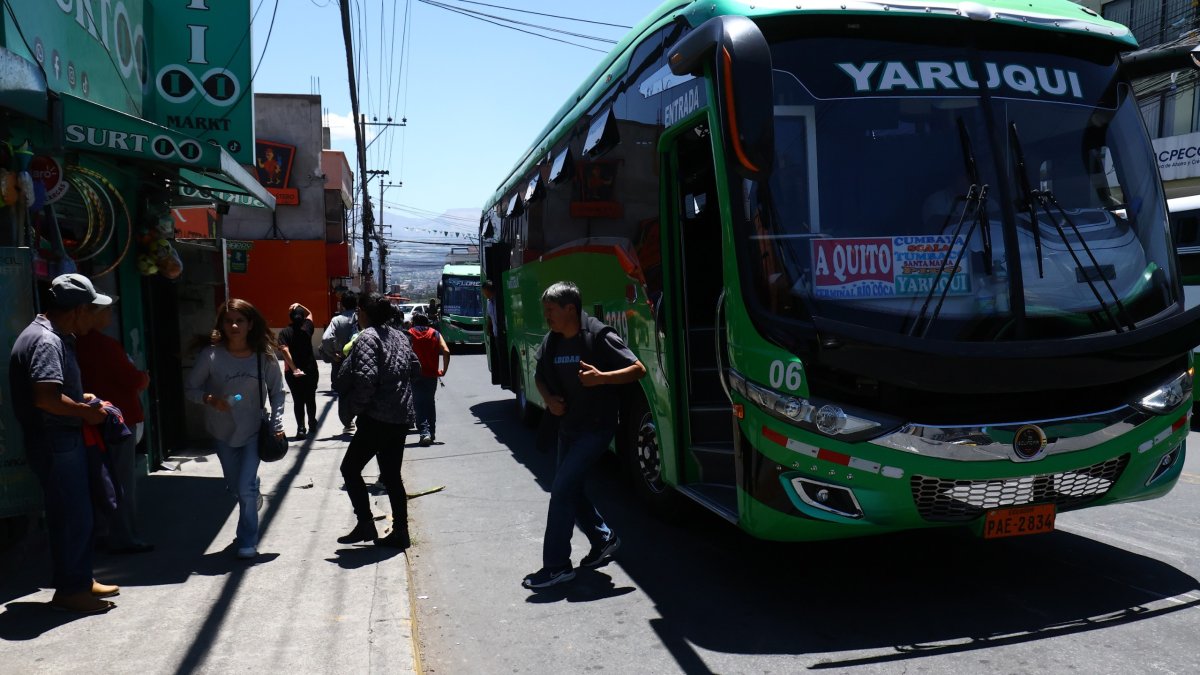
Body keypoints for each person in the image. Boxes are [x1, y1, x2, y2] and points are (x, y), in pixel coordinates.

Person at [522, 281, 646, 590]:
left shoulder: (599, 335)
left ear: (570, 309)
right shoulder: (552, 341)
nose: (546, 316)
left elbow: (638, 369)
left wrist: (602, 378)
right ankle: (604, 538)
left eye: (551, 310)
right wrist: (549, 399)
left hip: (596, 428)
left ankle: (556, 566)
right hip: (568, 429)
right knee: (571, 489)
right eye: (545, 310)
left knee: (561, 490)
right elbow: (538, 375)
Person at [8, 273, 119, 613]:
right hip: (56, 439)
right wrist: (86, 414)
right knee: (74, 516)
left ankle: (79, 579)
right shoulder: (47, 341)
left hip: (58, 438)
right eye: (91, 310)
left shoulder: (50, 335)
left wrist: (78, 398)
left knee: (71, 514)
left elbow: (54, 393)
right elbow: (46, 398)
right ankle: (72, 590)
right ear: (78, 310)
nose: (94, 318)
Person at [185, 299, 286, 560]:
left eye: (240, 320)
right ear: (222, 324)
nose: (234, 325)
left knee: (244, 488)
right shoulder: (211, 355)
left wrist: (277, 423)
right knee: (235, 485)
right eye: (229, 320)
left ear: (250, 324)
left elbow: (277, 392)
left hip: (253, 431)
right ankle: (252, 489)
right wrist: (210, 400)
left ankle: (247, 540)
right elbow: (191, 389)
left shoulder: (263, 355)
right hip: (222, 433)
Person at [333, 293, 421, 548]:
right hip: (401, 416)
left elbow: (365, 381)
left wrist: (352, 410)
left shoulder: (368, 338)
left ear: (362, 312)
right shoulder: (400, 336)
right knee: (392, 475)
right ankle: (401, 532)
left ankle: (365, 524)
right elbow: (415, 368)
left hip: (377, 418)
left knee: (349, 469)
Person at [76, 300, 153, 554]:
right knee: (121, 480)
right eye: (106, 309)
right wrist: (144, 378)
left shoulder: (74, 344)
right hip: (115, 421)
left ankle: (102, 532)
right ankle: (125, 536)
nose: (111, 313)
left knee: (98, 479)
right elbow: (132, 379)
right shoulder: (104, 345)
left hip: (90, 420)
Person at [407, 312, 450, 446]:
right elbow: (446, 351)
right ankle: (431, 432)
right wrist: (443, 371)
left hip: (415, 375)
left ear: (414, 322)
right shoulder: (435, 333)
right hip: (432, 375)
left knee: (419, 404)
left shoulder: (409, 333)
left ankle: (424, 433)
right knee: (430, 403)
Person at [278, 303, 319, 439]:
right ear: (302, 318)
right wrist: (299, 304)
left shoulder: (285, 332)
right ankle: (312, 423)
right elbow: (310, 313)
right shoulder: (307, 328)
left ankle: (301, 429)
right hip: (310, 369)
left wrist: (295, 368)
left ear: (290, 317)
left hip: (292, 372)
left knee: (298, 400)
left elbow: (284, 349)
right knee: (310, 397)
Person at [322, 291, 359, 434]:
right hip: (359, 359)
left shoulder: (337, 320)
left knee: (343, 392)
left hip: (341, 362)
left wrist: (333, 354)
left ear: (342, 304)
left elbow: (326, 339)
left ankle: (348, 423)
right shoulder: (361, 318)